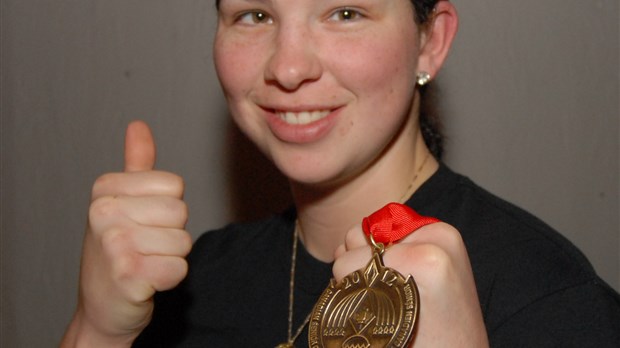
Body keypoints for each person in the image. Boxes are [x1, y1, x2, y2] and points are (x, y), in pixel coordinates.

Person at [61, 0, 620, 347]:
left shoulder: (551, 300)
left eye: (345, 12)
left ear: (431, 40)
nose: (288, 67)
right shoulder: (192, 283)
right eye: (254, 15)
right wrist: (98, 331)